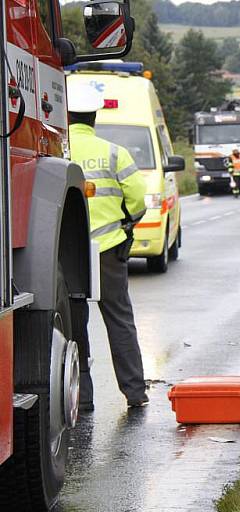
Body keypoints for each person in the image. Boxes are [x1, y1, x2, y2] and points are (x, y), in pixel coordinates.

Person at [67, 82, 150, 410]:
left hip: (67, 255)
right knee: (119, 320)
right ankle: (134, 393)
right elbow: (138, 200)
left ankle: (82, 398)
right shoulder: (115, 153)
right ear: (93, 117)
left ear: (67, 114)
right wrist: (125, 224)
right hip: (108, 250)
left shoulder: (54, 150)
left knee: (74, 326)